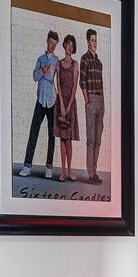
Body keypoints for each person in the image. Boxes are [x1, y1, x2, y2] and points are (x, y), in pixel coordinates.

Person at [21, 32, 59, 172]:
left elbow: (58, 79)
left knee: (52, 134)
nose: (52, 46)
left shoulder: (57, 60)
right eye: (51, 42)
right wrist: (42, 70)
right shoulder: (40, 59)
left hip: (52, 99)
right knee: (33, 131)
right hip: (40, 98)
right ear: (46, 41)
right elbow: (35, 77)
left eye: (55, 44)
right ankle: (27, 166)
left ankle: (49, 167)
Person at [80, 28, 107, 183]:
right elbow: (82, 82)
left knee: (98, 139)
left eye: (96, 40)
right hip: (90, 99)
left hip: (100, 101)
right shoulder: (85, 59)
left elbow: (101, 84)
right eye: (92, 39)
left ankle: (95, 171)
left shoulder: (99, 62)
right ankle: (91, 173)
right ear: (87, 41)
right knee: (90, 139)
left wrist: (103, 101)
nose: (94, 42)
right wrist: (87, 101)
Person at [52, 33, 82, 174]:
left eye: (72, 45)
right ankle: (63, 172)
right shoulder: (59, 63)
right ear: (64, 45)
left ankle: (70, 171)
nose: (70, 47)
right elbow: (57, 83)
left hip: (71, 104)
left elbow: (75, 87)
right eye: (68, 44)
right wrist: (62, 105)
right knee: (62, 140)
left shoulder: (75, 64)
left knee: (68, 140)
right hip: (60, 104)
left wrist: (68, 106)